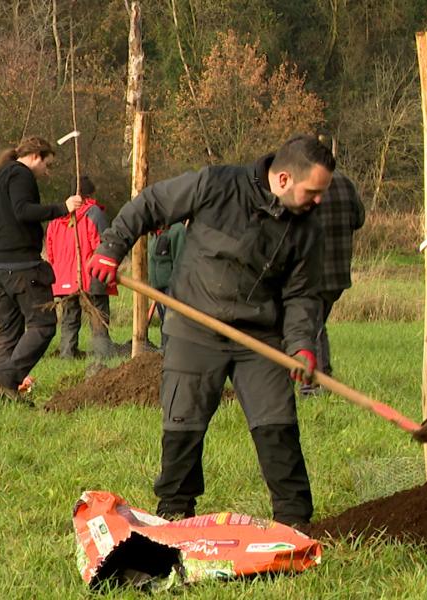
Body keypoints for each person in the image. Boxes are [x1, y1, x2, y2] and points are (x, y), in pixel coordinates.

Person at [87, 135, 334, 526]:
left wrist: (302, 345)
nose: (319, 201)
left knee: (278, 427)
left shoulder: (308, 227)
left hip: (259, 337)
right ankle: (175, 515)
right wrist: (111, 247)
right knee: (182, 426)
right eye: (313, 192)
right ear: (284, 178)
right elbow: (151, 204)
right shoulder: (216, 185)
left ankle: (296, 522)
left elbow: (303, 294)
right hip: (194, 325)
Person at [0, 136, 82, 400]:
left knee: (8, 331)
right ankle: (7, 380)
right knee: (43, 324)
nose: (47, 171)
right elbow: (23, 211)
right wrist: (62, 208)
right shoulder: (21, 176)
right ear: (36, 155)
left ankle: (4, 391)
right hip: (21, 265)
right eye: (48, 164)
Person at [301, 169, 365, 396]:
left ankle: (316, 382)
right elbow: (359, 219)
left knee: (312, 327)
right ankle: (314, 379)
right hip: (338, 271)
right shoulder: (346, 183)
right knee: (315, 325)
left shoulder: (305, 184)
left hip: (312, 271)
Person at [46, 175, 117, 359]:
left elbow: (51, 251)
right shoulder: (94, 213)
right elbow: (103, 245)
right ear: (89, 194)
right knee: (98, 316)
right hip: (91, 276)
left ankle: (67, 354)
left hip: (64, 279)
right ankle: (102, 355)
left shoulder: (55, 218)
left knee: (69, 318)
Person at [146, 220, 187, 347]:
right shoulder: (154, 234)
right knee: (164, 320)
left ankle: (170, 350)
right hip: (159, 287)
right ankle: (164, 348)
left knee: (172, 322)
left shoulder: (177, 230)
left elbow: (180, 260)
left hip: (171, 287)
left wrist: (176, 288)